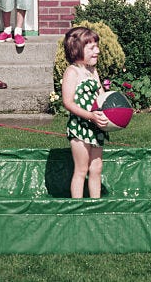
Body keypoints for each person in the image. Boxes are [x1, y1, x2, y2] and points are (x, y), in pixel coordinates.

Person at [61, 26, 110, 198]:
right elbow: (68, 102)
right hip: (80, 126)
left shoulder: (93, 71)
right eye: (92, 48)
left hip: (96, 126)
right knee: (81, 169)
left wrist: (110, 111)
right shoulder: (72, 72)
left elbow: (101, 96)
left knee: (96, 167)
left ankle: (95, 204)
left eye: (97, 46)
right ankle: (78, 207)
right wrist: (90, 116)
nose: (97, 51)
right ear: (77, 49)